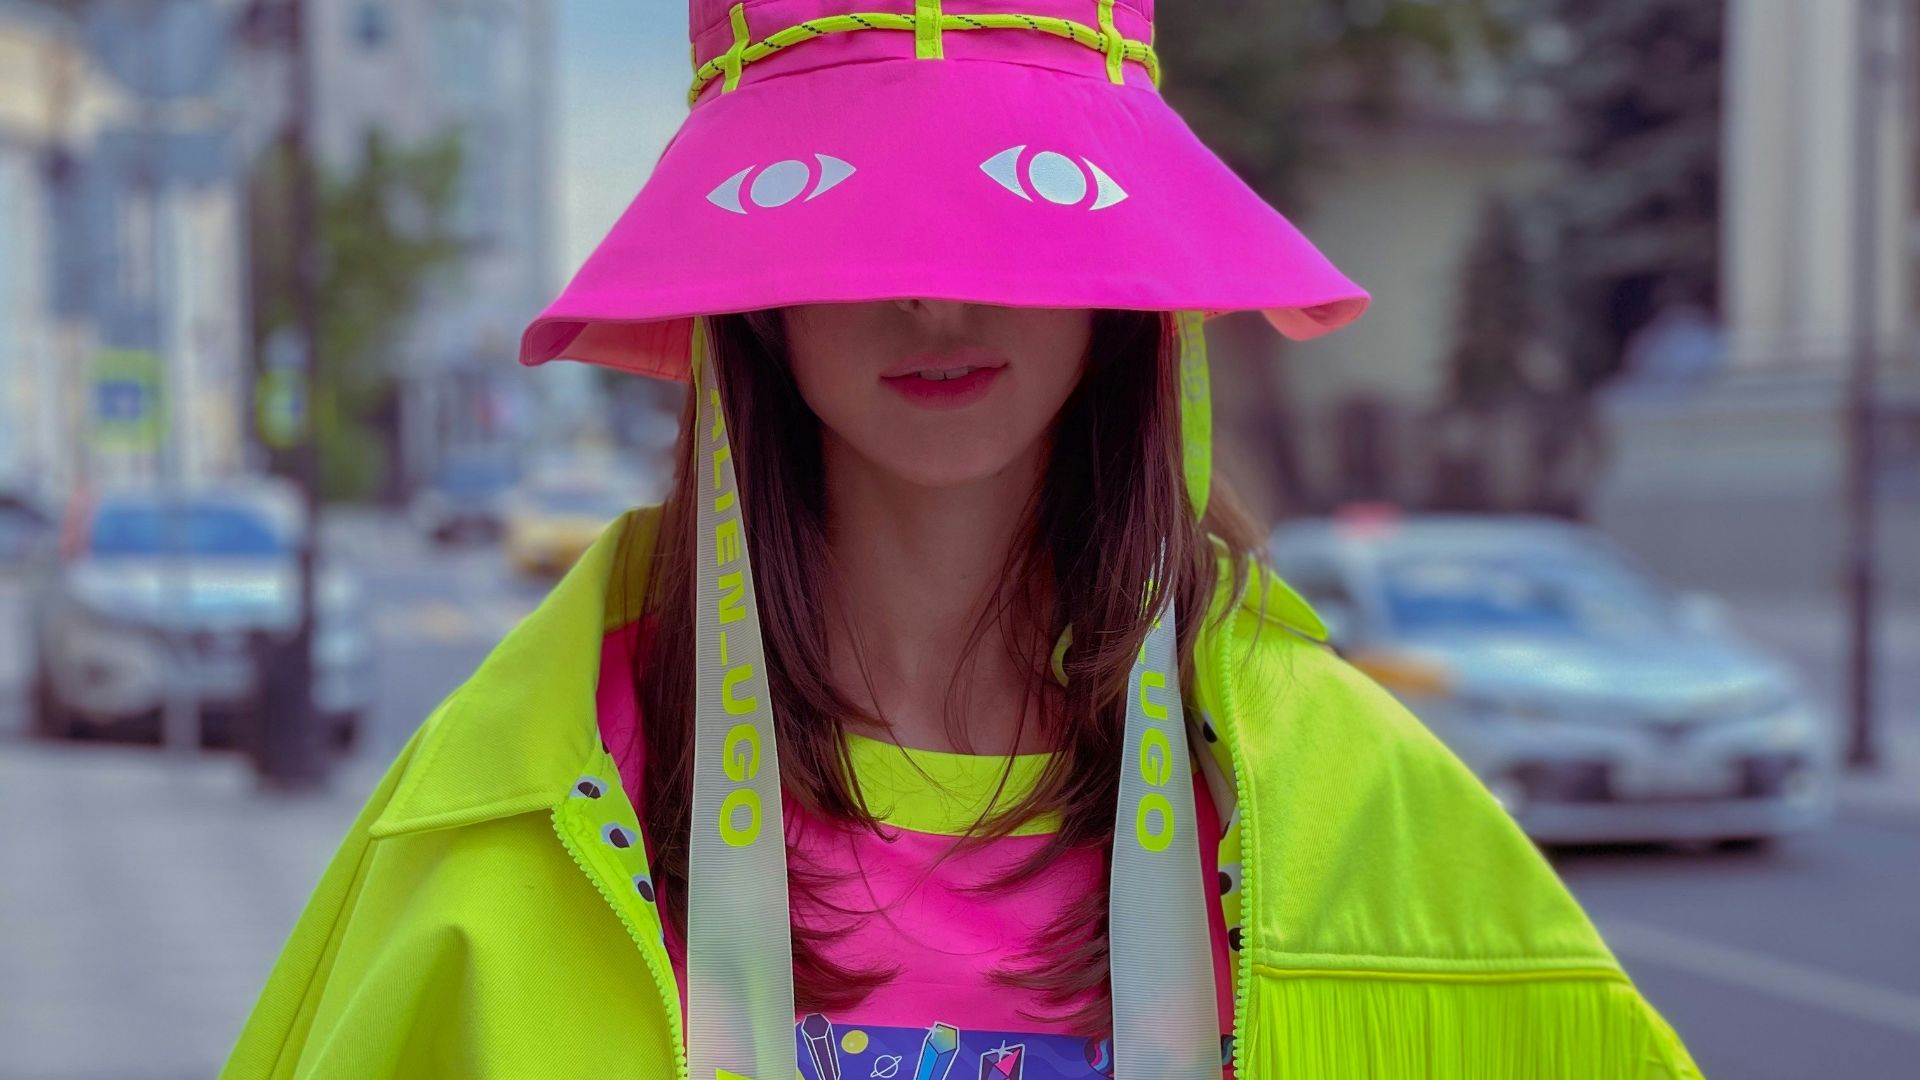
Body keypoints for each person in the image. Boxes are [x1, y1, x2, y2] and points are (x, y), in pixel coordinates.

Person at [222, 3, 1701, 1078]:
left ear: (1115, 284)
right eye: (859, 224)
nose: (936, 301)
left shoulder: (1334, 787)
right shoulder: (540, 775)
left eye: (1015, 218)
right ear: (754, 294)